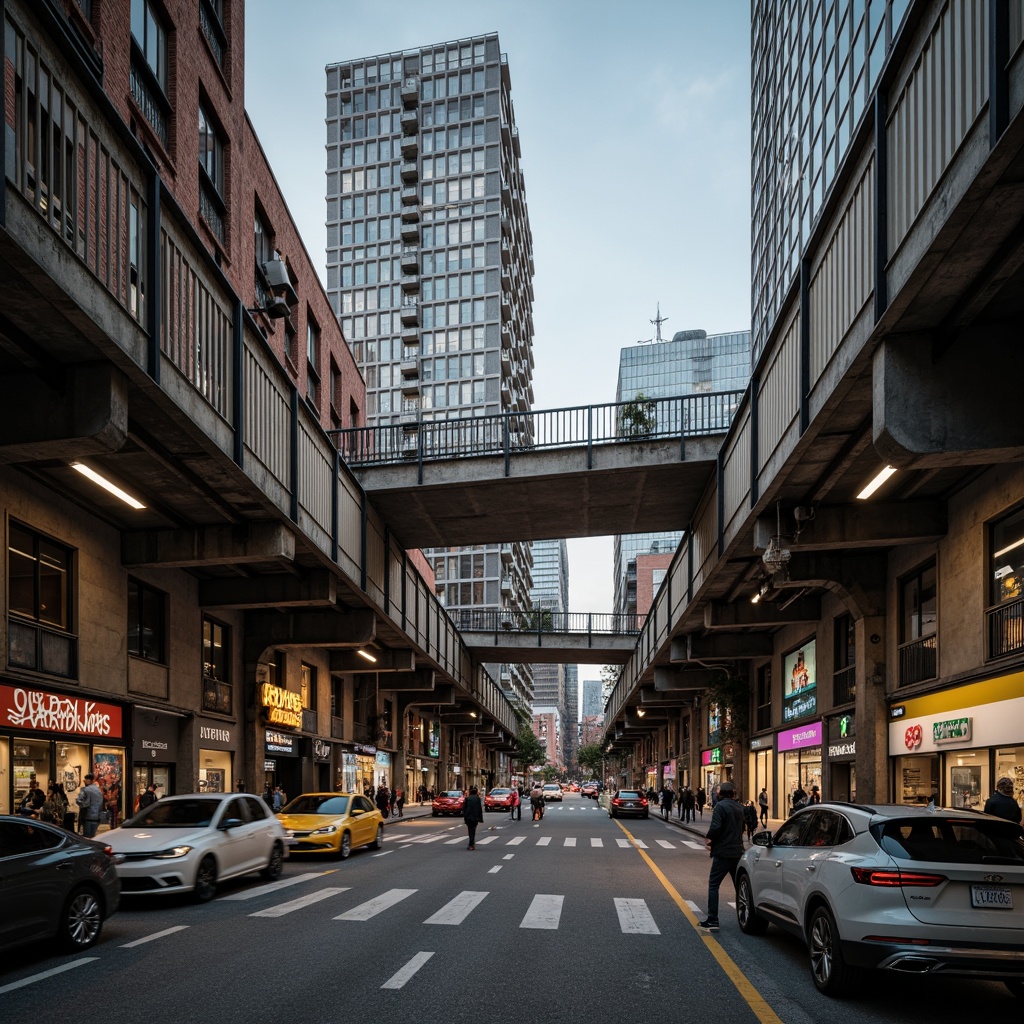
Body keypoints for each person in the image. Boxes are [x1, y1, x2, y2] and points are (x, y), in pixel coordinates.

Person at [699, 780, 746, 931]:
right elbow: (743, 828)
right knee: (740, 887)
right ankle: (745, 915)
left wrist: (709, 839)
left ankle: (713, 919)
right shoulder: (739, 807)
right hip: (738, 851)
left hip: (723, 852)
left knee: (714, 884)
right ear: (732, 793)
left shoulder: (720, 806)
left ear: (720, 794)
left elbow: (716, 827)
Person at [76, 773, 104, 838]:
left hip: (87, 816)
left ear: (88, 780)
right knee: (93, 837)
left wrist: (82, 804)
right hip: (97, 817)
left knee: (86, 837)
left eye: (85, 780)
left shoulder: (86, 790)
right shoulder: (98, 790)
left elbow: (79, 800)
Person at [463, 785, 484, 850]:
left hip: (469, 817)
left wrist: (465, 817)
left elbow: (464, 809)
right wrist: (480, 818)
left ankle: (471, 844)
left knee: (470, 830)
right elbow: (479, 809)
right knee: (473, 830)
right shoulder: (477, 799)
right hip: (475, 817)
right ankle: (472, 844)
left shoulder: (467, 799)